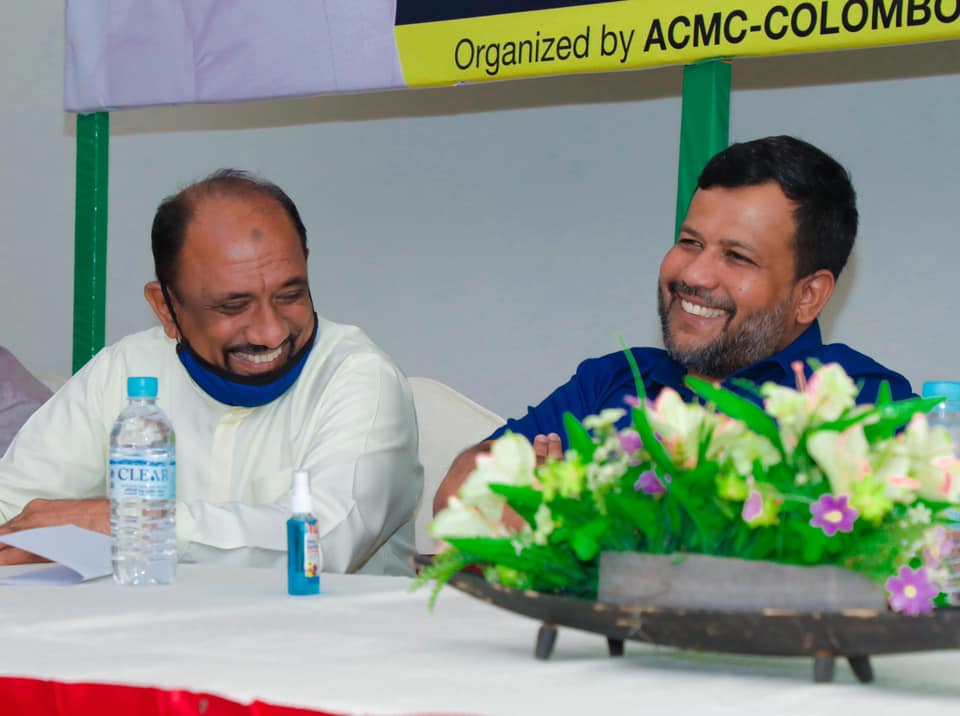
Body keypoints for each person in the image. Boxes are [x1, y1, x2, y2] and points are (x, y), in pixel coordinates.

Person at [434, 135, 913, 515]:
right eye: (690, 242)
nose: (695, 275)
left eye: (737, 256)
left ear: (808, 295)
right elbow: (459, 496)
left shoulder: (860, 403)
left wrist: (573, 509)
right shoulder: (614, 380)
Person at [0, 170, 422, 574]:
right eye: (233, 307)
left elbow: (324, 541)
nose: (270, 332)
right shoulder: (125, 370)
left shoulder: (359, 377)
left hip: (325, 626)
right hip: (144, 623)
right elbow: (13, 512)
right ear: (166, 308)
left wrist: (140, 524)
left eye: (290, 295)